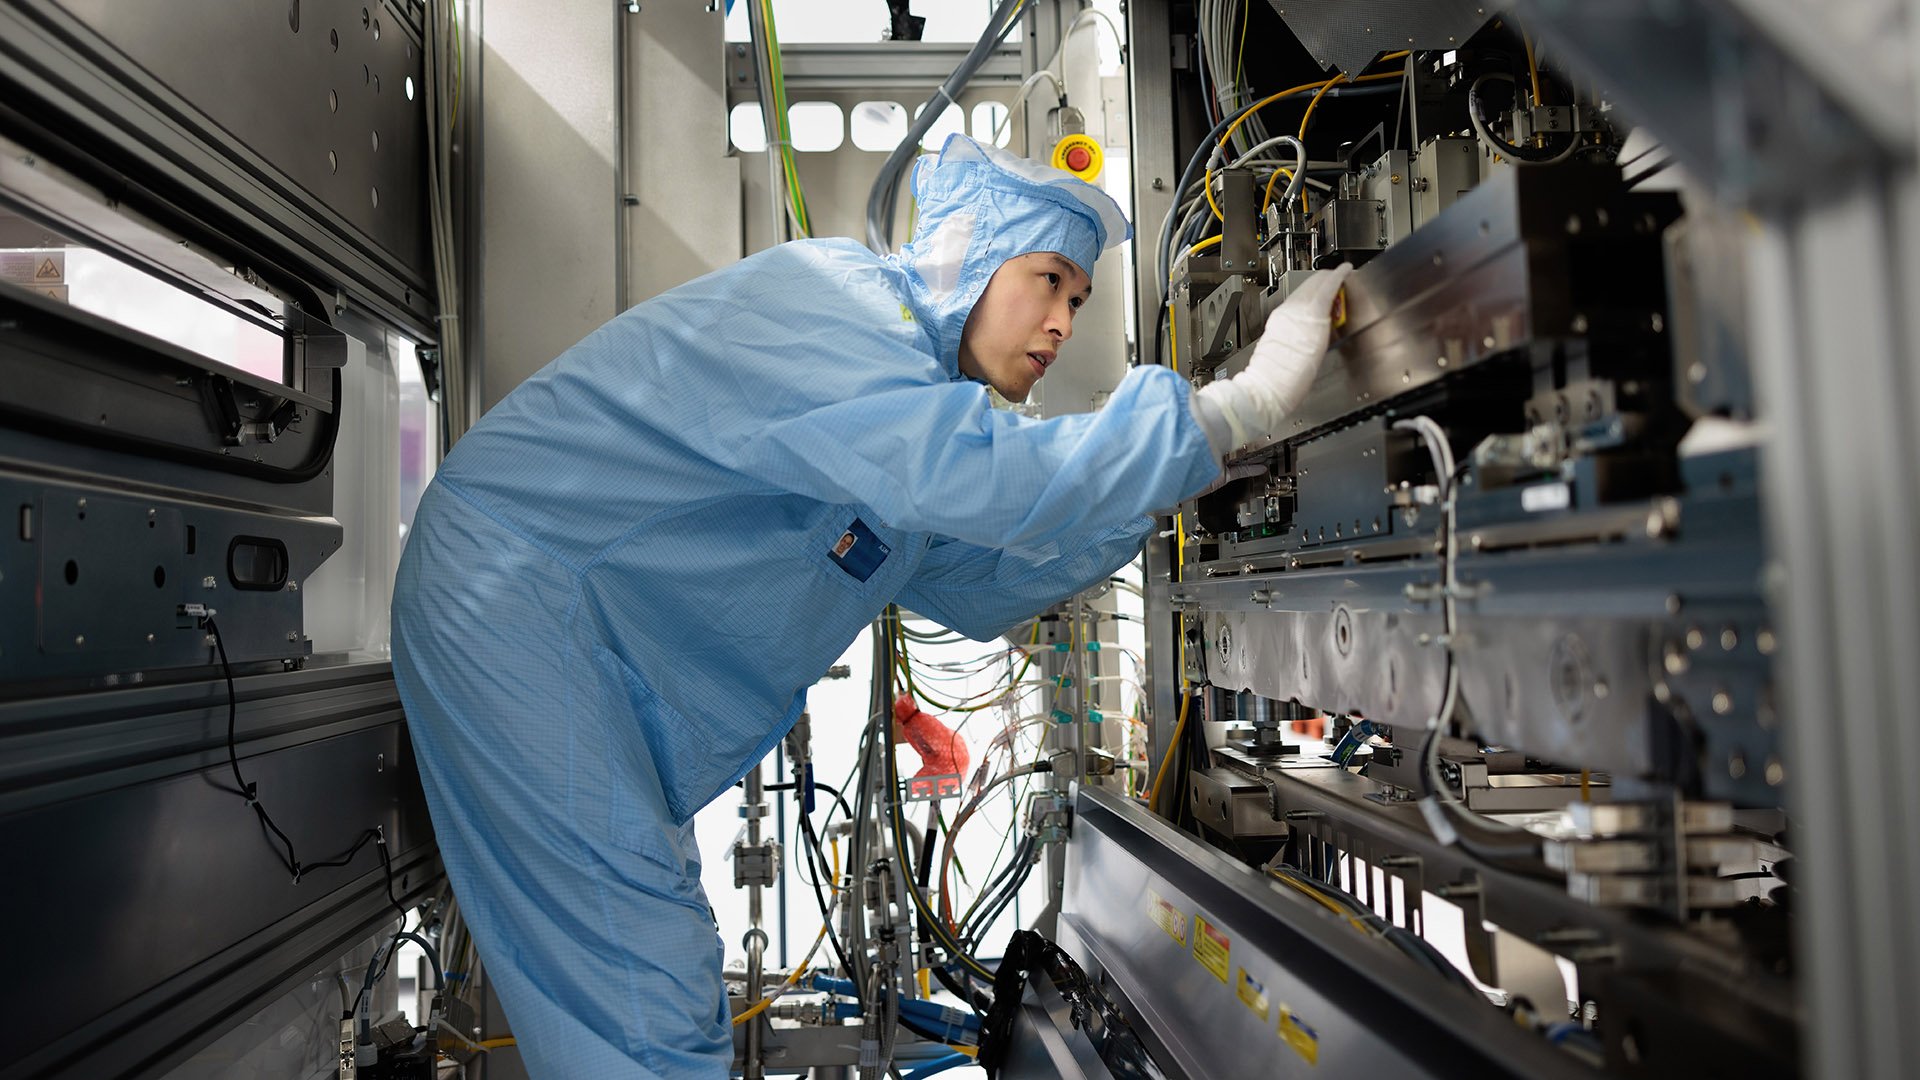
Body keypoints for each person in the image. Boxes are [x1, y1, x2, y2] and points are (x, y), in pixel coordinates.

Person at [391, 133, 1350, 1077]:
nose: (1063, 322)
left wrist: (1173, 480)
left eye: (1080, 298)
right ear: (974, 252)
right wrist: (1234, 407)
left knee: (647, 963)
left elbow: (984, 583)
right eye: (1048, 279)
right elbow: (987, 480)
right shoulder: (840, 310)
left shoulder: (913, 405)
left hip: (572, 635)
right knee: (644, 988)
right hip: (512, 591)